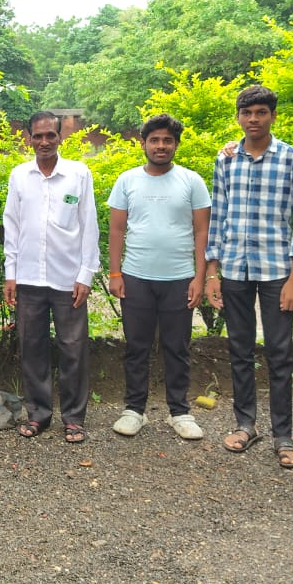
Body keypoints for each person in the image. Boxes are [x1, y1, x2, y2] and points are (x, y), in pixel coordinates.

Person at [204, 85, 293, 469]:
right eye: (247, 113)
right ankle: (245, 424)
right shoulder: (226, 159)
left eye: (261, 112)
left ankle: (284, 435)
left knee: (280, 353)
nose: (253, 119)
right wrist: (212, 272)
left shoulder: (292, 160)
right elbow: (218, 216)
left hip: (276, 271)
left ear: (272, 116)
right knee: (239, 348)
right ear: (238, 117)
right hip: (234, 267)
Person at [107, 113, 211, 441]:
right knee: (136, 346)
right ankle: (134, 409)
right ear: (143, 144)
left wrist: (200, 277)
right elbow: (117, 229)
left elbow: (201, 231)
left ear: (176, 144)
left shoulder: (191, 181)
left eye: (168, 140)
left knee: (177, 347)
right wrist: (114, 272)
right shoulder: (127, 180)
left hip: (180, 279)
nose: (161, 146)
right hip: (136, 277)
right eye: (155, 140)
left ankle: (179, 412)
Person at [3, 111, 100, 443]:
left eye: (50, 135)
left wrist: (86, 274)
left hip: (67, 279)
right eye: (37, 136)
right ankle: (38, 414)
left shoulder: (78, 174)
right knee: (32, 348)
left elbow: (89, 226)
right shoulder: (19, 175)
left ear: (61, 137)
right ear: (28, 138)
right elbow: (11, 226)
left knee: (73, 348)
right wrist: (10, 274)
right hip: (28, 278)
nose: (44, 141)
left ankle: (74, 417)